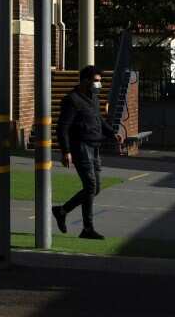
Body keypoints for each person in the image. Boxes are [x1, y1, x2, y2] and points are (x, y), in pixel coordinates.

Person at [52, 65, 117, 240]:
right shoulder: (72, 100)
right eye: (96, 81)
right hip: (81, 147)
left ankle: (81, 225)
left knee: (95, 189)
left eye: (100, 81)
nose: (99, 85)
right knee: (90, 187)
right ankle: (64, 212)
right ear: (85, 81)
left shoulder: (93, 98)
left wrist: (112, 133)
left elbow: (99, 119)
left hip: (95, 147)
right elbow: (62, 127)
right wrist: (66, 151)